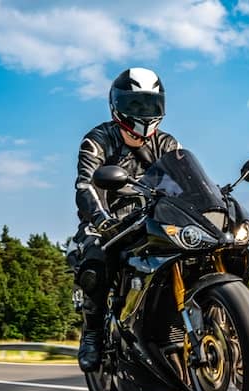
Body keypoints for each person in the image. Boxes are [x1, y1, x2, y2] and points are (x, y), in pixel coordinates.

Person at [72, 67, 181, 371]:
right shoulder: (97, 140)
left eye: (150, 104)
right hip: (109, 222)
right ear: (117, 105)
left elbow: (185, 183)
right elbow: (85, 185)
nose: (143, 113)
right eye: (135, 105)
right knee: (95, 261)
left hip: (153, 219)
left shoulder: (168, 144)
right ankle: (92, 333)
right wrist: (101, 220)